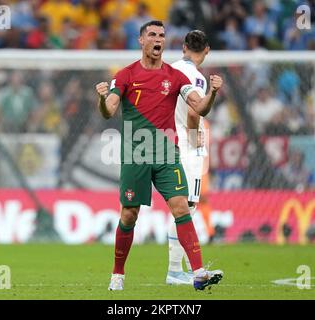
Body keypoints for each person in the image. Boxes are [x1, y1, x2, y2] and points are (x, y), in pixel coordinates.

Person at [95, 20, 223, 291]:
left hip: (167, 153)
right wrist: (102, 98)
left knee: (181, 206)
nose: (157, 39)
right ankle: (117, 274)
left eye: (162, 35)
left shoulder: (176, 77)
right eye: (152, 35)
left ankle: (198, 271)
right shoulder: (126, 75)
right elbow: (109, 110)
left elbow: (199, 107)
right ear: (141, 40)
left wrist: (212, 92)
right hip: (136, 155)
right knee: (129, 214)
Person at [165, 30, 212, 285]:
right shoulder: (196, 78)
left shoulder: (169, 70)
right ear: (207, 50)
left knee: (179, 206)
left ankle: (175, 269)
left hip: (167, 140)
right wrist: (195, 139)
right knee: (187, 208)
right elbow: (195, 112)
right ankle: (174, 270)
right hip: (186, 143)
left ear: (183, 47)